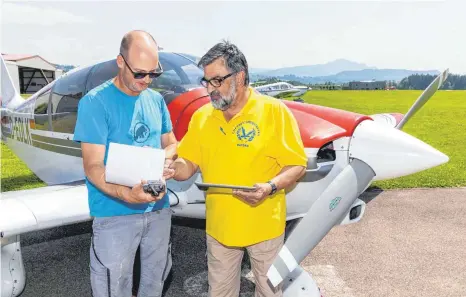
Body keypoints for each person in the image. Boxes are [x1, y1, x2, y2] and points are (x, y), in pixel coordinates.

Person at [167, 41, 307, 297]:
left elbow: (297, 164)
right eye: (206, 81)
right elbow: (187, 165)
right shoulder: (202, 117)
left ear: (240, 76)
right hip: (220, 230)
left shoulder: (274, 111)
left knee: (270, 292)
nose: (210, 89)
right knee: (219, 293)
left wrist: (270, 186)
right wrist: (171, 169)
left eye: (217, 81)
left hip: (264, 228)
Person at [73, 30, 177, 297]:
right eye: (140, 73)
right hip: (114, 213)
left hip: (158, 210)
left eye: (154, 73)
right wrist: (127, 195)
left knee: (155, 282)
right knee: (113, 287)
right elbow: (93, 167)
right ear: (120, 62)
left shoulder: (156, 100)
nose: (147, 80)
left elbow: (171, 142)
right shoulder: (95, 103)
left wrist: (165, 161)